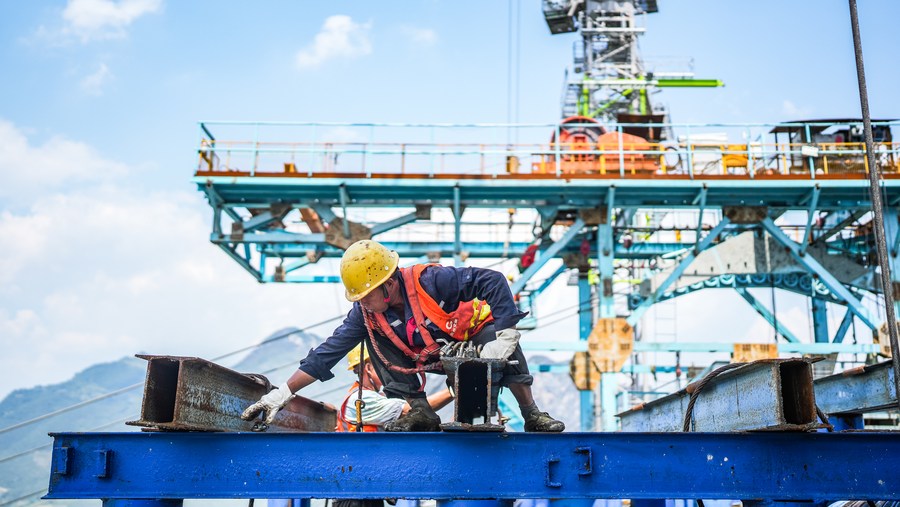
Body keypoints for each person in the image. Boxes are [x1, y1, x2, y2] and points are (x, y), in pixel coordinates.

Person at [242, 239, 564, 432]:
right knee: (371, 339)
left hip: (472, 337)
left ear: (389, 284)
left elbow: (492, 281)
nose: (362, 303)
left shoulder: (433, 282)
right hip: (431, 356)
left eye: (366, 295)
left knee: (505, 346)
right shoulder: (366, 314)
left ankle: (531, 412)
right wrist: (282, 393)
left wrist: (506, 333)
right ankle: (420, 411)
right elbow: (327, 353)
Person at [336, 346, 453, 432]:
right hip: (365, 456)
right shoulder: (362, 399)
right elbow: (412, 410)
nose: (390, 368)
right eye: (382, 364)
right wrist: (453, 391)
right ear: (368, 368)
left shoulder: (377, 396)